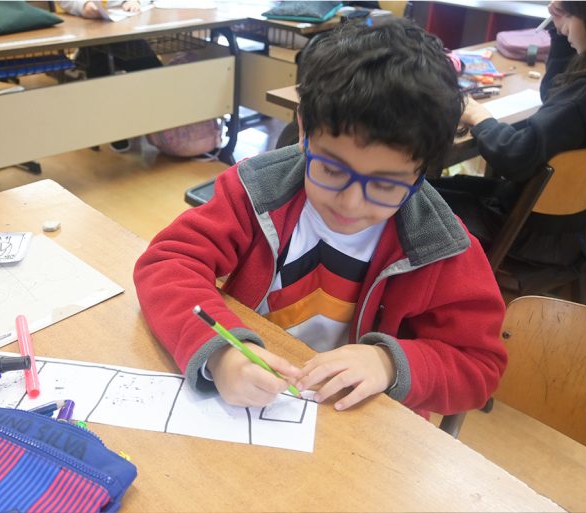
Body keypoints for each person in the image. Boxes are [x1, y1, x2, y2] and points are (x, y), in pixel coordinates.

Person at [134, 19, 507, 419]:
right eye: (331, 169)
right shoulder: (258, 190)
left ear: (421, 172)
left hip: (362, 426)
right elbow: (168, 262)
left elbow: (479, 367)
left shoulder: (438, 245)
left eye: (385, 185)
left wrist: (389, 363)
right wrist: (221, 353)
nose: (350, 203)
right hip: (257, 400)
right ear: (303, 130)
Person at [432, 1, 586, 267]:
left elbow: (515, 157)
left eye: (569, 17)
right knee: (436, 186)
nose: (563, 28)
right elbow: (553, 95)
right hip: (562, 228)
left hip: (523, 232)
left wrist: (478, 116)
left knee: (412, 198)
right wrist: (560, 31)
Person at [59, 0, 160, 152]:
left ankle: (157, 124)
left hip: (125, 24)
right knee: (100, 65)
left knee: (153, 72)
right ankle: (114, 128)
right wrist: (82, 6)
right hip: (91, 28)